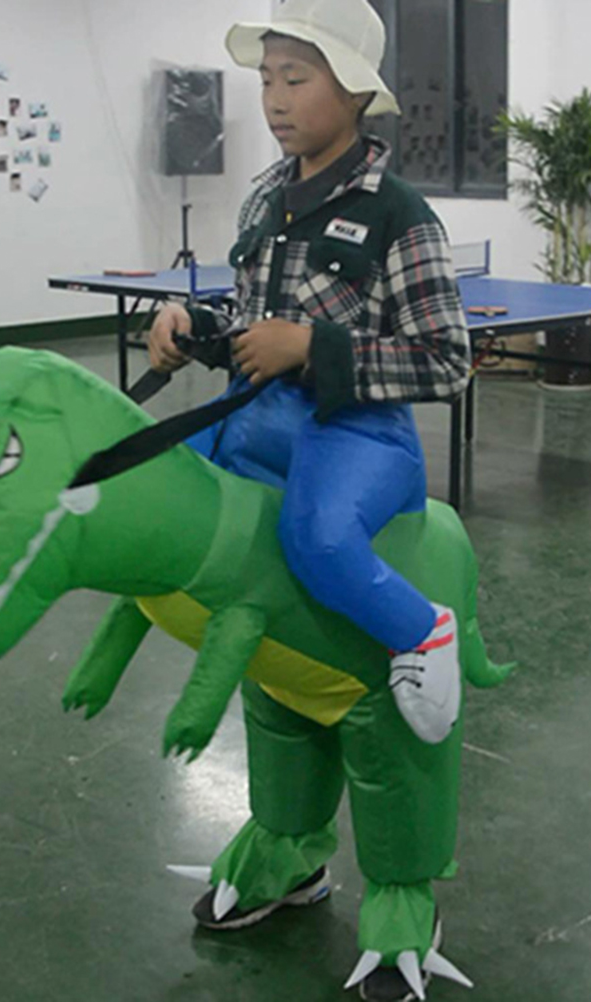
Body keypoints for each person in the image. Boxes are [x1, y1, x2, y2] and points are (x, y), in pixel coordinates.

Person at [147, 0, 471, 749]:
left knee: (317, 536)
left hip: (354, 425)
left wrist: (312, 348)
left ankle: (421, 632)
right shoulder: (266, 198)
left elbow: (447, 359)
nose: (276, 100)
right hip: (258, 409)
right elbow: (249, 325)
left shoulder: (401, 216)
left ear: (355, 93)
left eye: (296, 79)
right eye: (266, 79)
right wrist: (196, 329)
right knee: (164, 485)